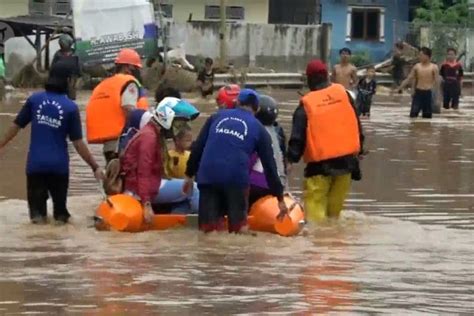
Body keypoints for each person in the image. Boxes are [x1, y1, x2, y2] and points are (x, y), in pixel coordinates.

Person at [0, 62, 103, 224]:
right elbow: (78, 143)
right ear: (68, 80)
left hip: (35, 166)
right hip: (59, 168)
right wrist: (95, 166)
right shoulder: (70, 108)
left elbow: (15, 126)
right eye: (74, 80)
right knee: (61, 218)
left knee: (37, 220)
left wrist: (1, 145)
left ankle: (40, 245)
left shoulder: (34, 100)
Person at [184, 89, 288, 234]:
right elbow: (270, 167)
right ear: (256, 108)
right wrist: (280, 198)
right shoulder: (259, 129)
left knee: (208, 232)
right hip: (236, 179)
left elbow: (198, 148)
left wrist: (188, 175)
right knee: (239, 232)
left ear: (237, 103)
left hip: (208, 176)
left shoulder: (215, 117)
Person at [287, 59, 364, 223]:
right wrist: (361, 149)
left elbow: (297, 138)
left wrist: (290, 160)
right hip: (347, 166)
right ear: (327, 76)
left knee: (315, 223)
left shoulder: (306, 105)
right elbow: (356, 124)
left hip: (319, 169)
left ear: (308, 80)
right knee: (333, 219)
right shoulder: (344, 95)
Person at [120, 97, 200, 221]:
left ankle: (174, 220)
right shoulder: (149, 137)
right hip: (140, 189)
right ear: (166, 118)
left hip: (143, 185)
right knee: (192, 188)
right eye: (177, 124)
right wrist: (146, 203)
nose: (179, 129)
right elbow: (143, 172)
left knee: (184, 196)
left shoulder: (150, 133)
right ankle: (208, 220)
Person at [86, 48, 150, 164]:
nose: (137, 71)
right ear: (127, 67)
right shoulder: (129, 83)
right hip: (122, 143)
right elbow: (129, 108)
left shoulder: (105, 84)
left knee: (112, 178)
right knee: (124, 180)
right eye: (135, 68)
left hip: (109, 144)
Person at [249, 95, 287, 207]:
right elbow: (283, 162)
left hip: (255, 185)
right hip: (277, 185)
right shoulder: (278, 133)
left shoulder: (253, 131)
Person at [398, 47, 439, 119]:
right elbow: (409, 78)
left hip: (428, 94)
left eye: (421, 55)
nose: (419, 57)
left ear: (427, 56)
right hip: (418, 93)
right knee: (413, 116)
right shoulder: (417, 66)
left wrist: (437, 97)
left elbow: (437, 82)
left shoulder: (434, 67)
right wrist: (400, 87)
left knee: (427, 118)